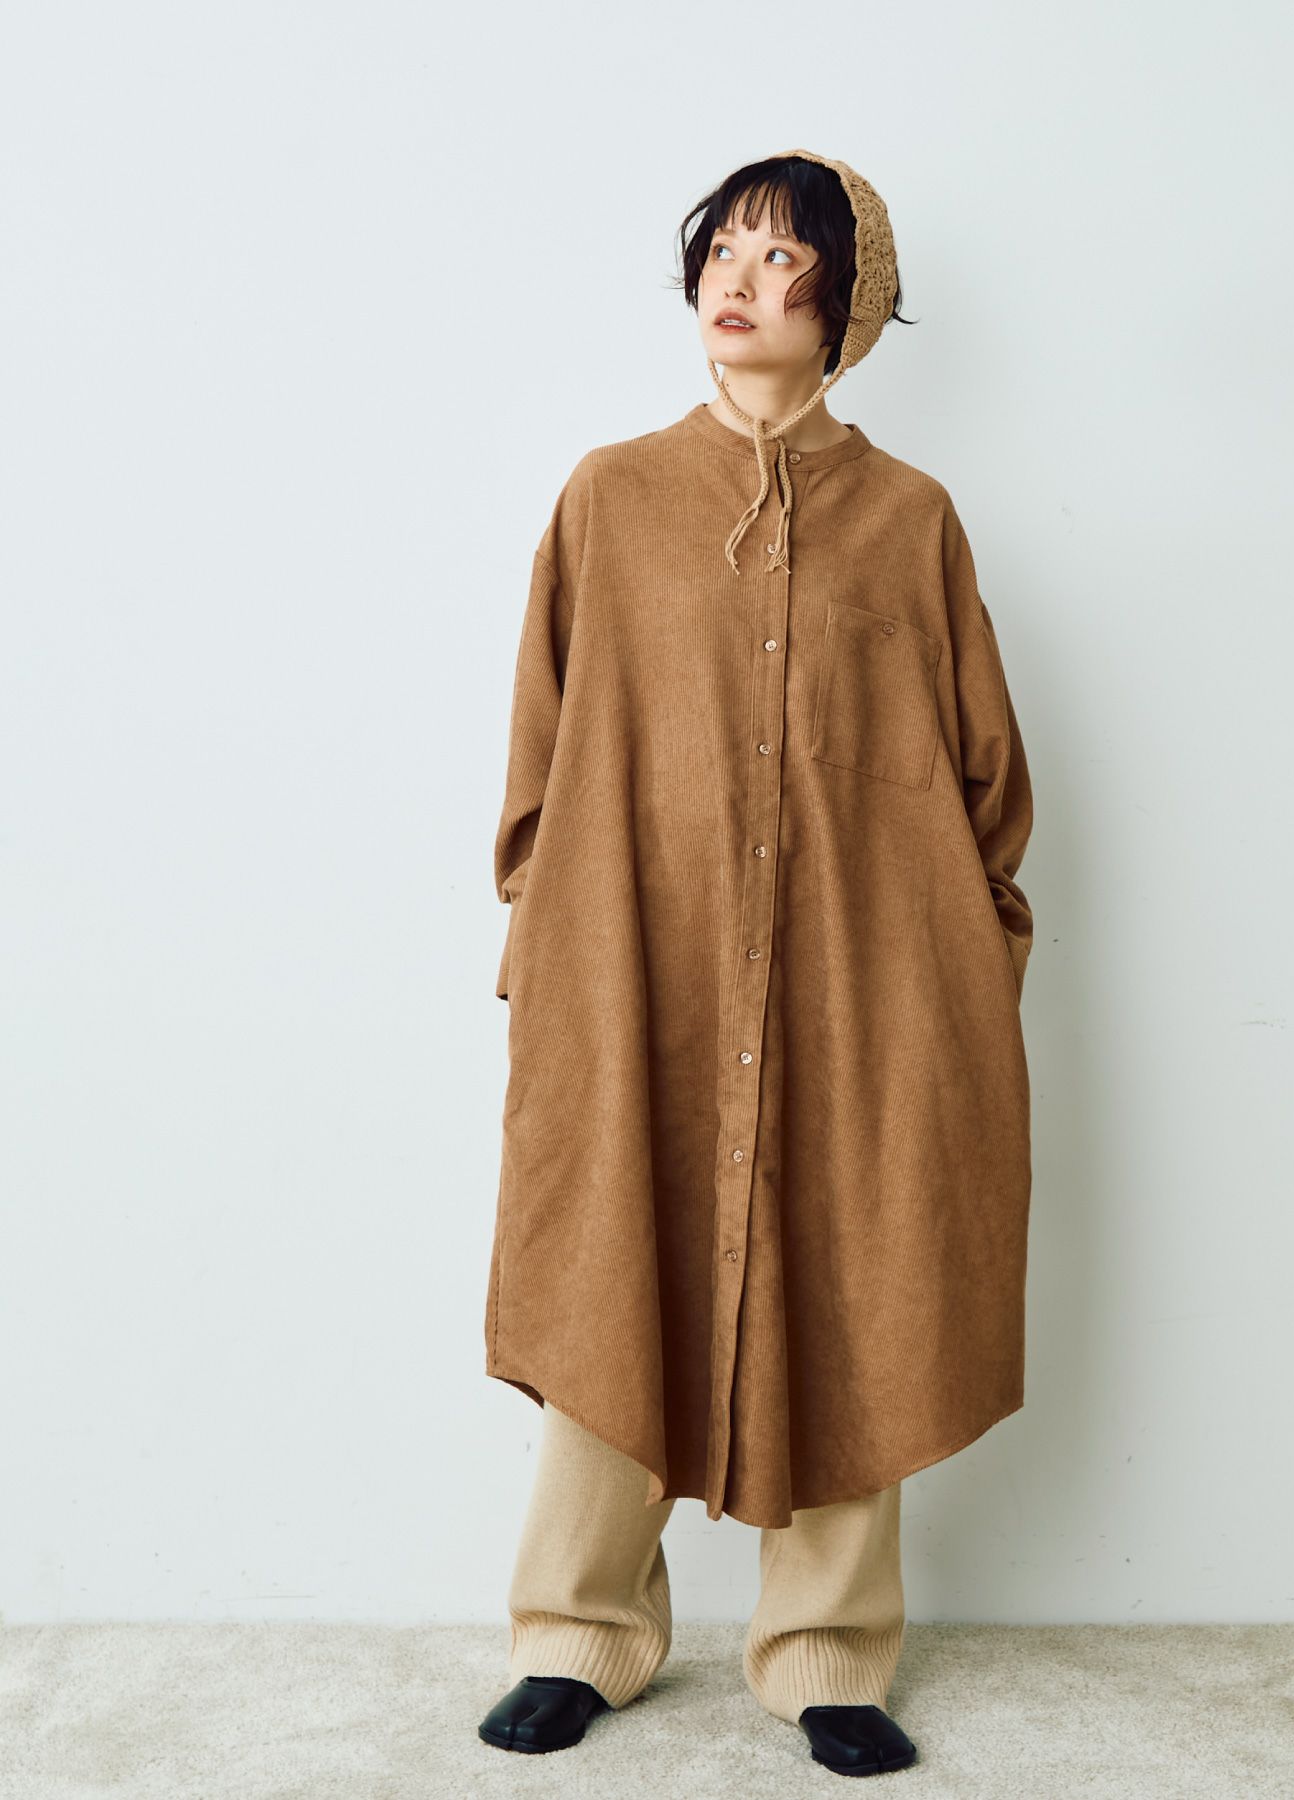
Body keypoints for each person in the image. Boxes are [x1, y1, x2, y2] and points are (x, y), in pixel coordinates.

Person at [476, 149, 1036, 1777]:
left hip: (864, 988)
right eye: (722, 248)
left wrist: (961, 973)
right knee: (611, 1265)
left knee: (863, 1278)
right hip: (635, 973)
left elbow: (984, 782)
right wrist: (552, 949)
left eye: (783, 256)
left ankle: (830, 1655)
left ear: (848, 302)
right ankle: (577, 1633)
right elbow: (540, 754)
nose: (739, 278)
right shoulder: (610, 497)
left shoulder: (911, 523)